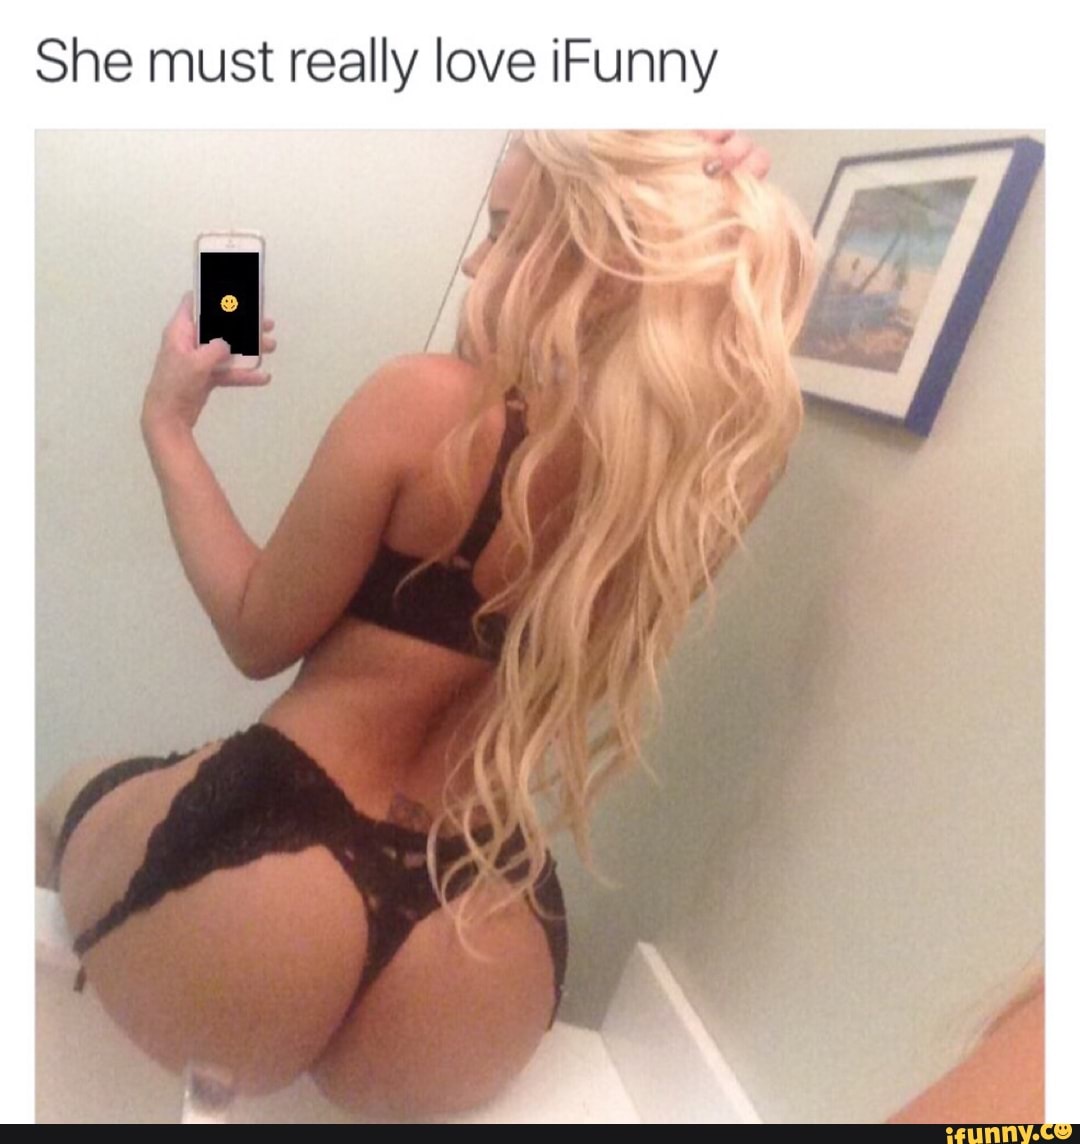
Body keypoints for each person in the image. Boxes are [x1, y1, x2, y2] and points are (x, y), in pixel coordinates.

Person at [36, 129, 815, 1117]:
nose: (477, 260)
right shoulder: (707, 475)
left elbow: (254, 632)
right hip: (483, 936)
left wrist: (169, 427)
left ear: (600, 256)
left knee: (62, 799)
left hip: (269, 870)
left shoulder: (425, 402)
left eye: (504, 229)